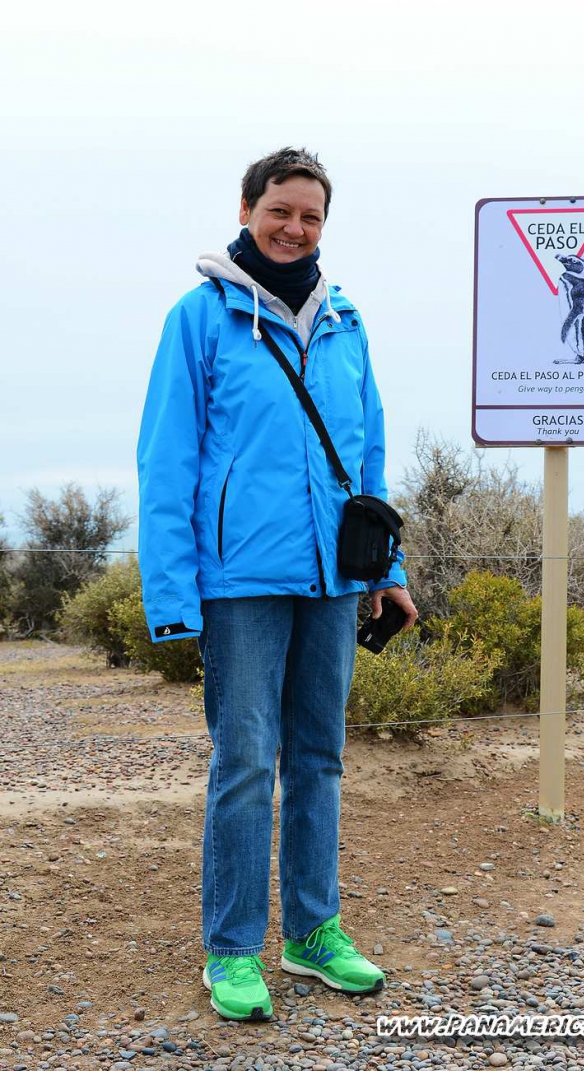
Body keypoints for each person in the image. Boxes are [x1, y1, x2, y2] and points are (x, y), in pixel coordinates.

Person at [136, 147, 418, 1022]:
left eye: (311, 217)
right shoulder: (200, 317)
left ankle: (311, 933)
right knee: (245, 764)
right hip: (239, 584)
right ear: (248, 207)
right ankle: (230, 951)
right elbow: (167, 460)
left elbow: (365, 462)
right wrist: (174, 597)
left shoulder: (347, 322)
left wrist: (388, 570)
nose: (295, 229)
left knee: (321, 760)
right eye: (280, 211)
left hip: (333, 581)